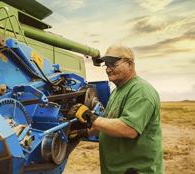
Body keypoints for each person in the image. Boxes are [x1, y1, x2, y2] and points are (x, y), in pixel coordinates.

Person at [68, 44, 163, 174]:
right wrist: (84, 133)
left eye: (113, 64)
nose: (108, 69)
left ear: (130, 63)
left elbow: (128, 129)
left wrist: (90, 117)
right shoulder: (117, 92)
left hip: (136, 170)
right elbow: (107, 123)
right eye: (106, 65)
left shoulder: (141, 91)